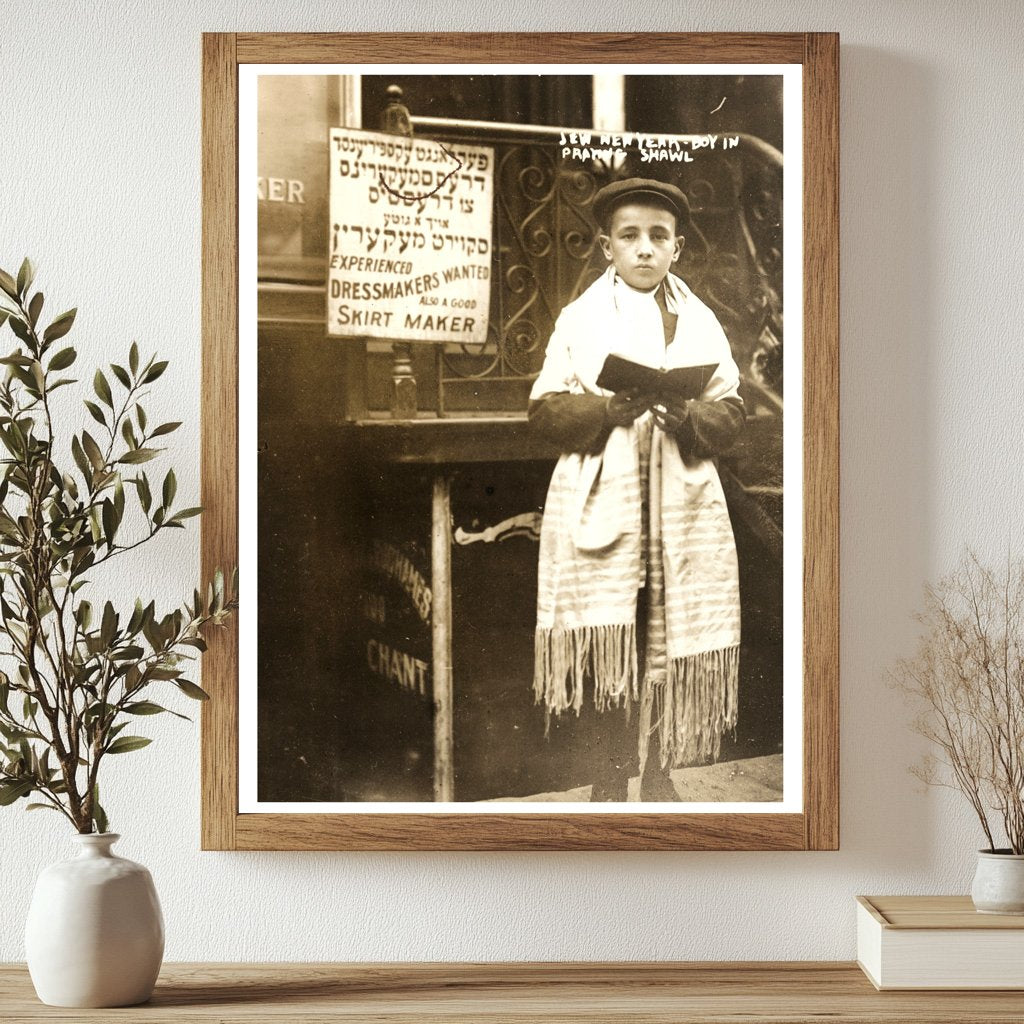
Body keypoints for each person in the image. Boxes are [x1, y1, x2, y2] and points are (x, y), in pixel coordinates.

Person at [529, 178, 745, 802]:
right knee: (612, 641)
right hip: (609, 500)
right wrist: (605, 412)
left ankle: (658, 773)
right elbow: (543, 409)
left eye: (658, 237)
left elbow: (729, 408)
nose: (644, 249)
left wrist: (693, 420)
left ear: (677, 248)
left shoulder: (699, 319)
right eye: (630, 237)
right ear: (606, 247)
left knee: (664, 636)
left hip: (678, 505)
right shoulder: (580, 318)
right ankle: (608, 772)